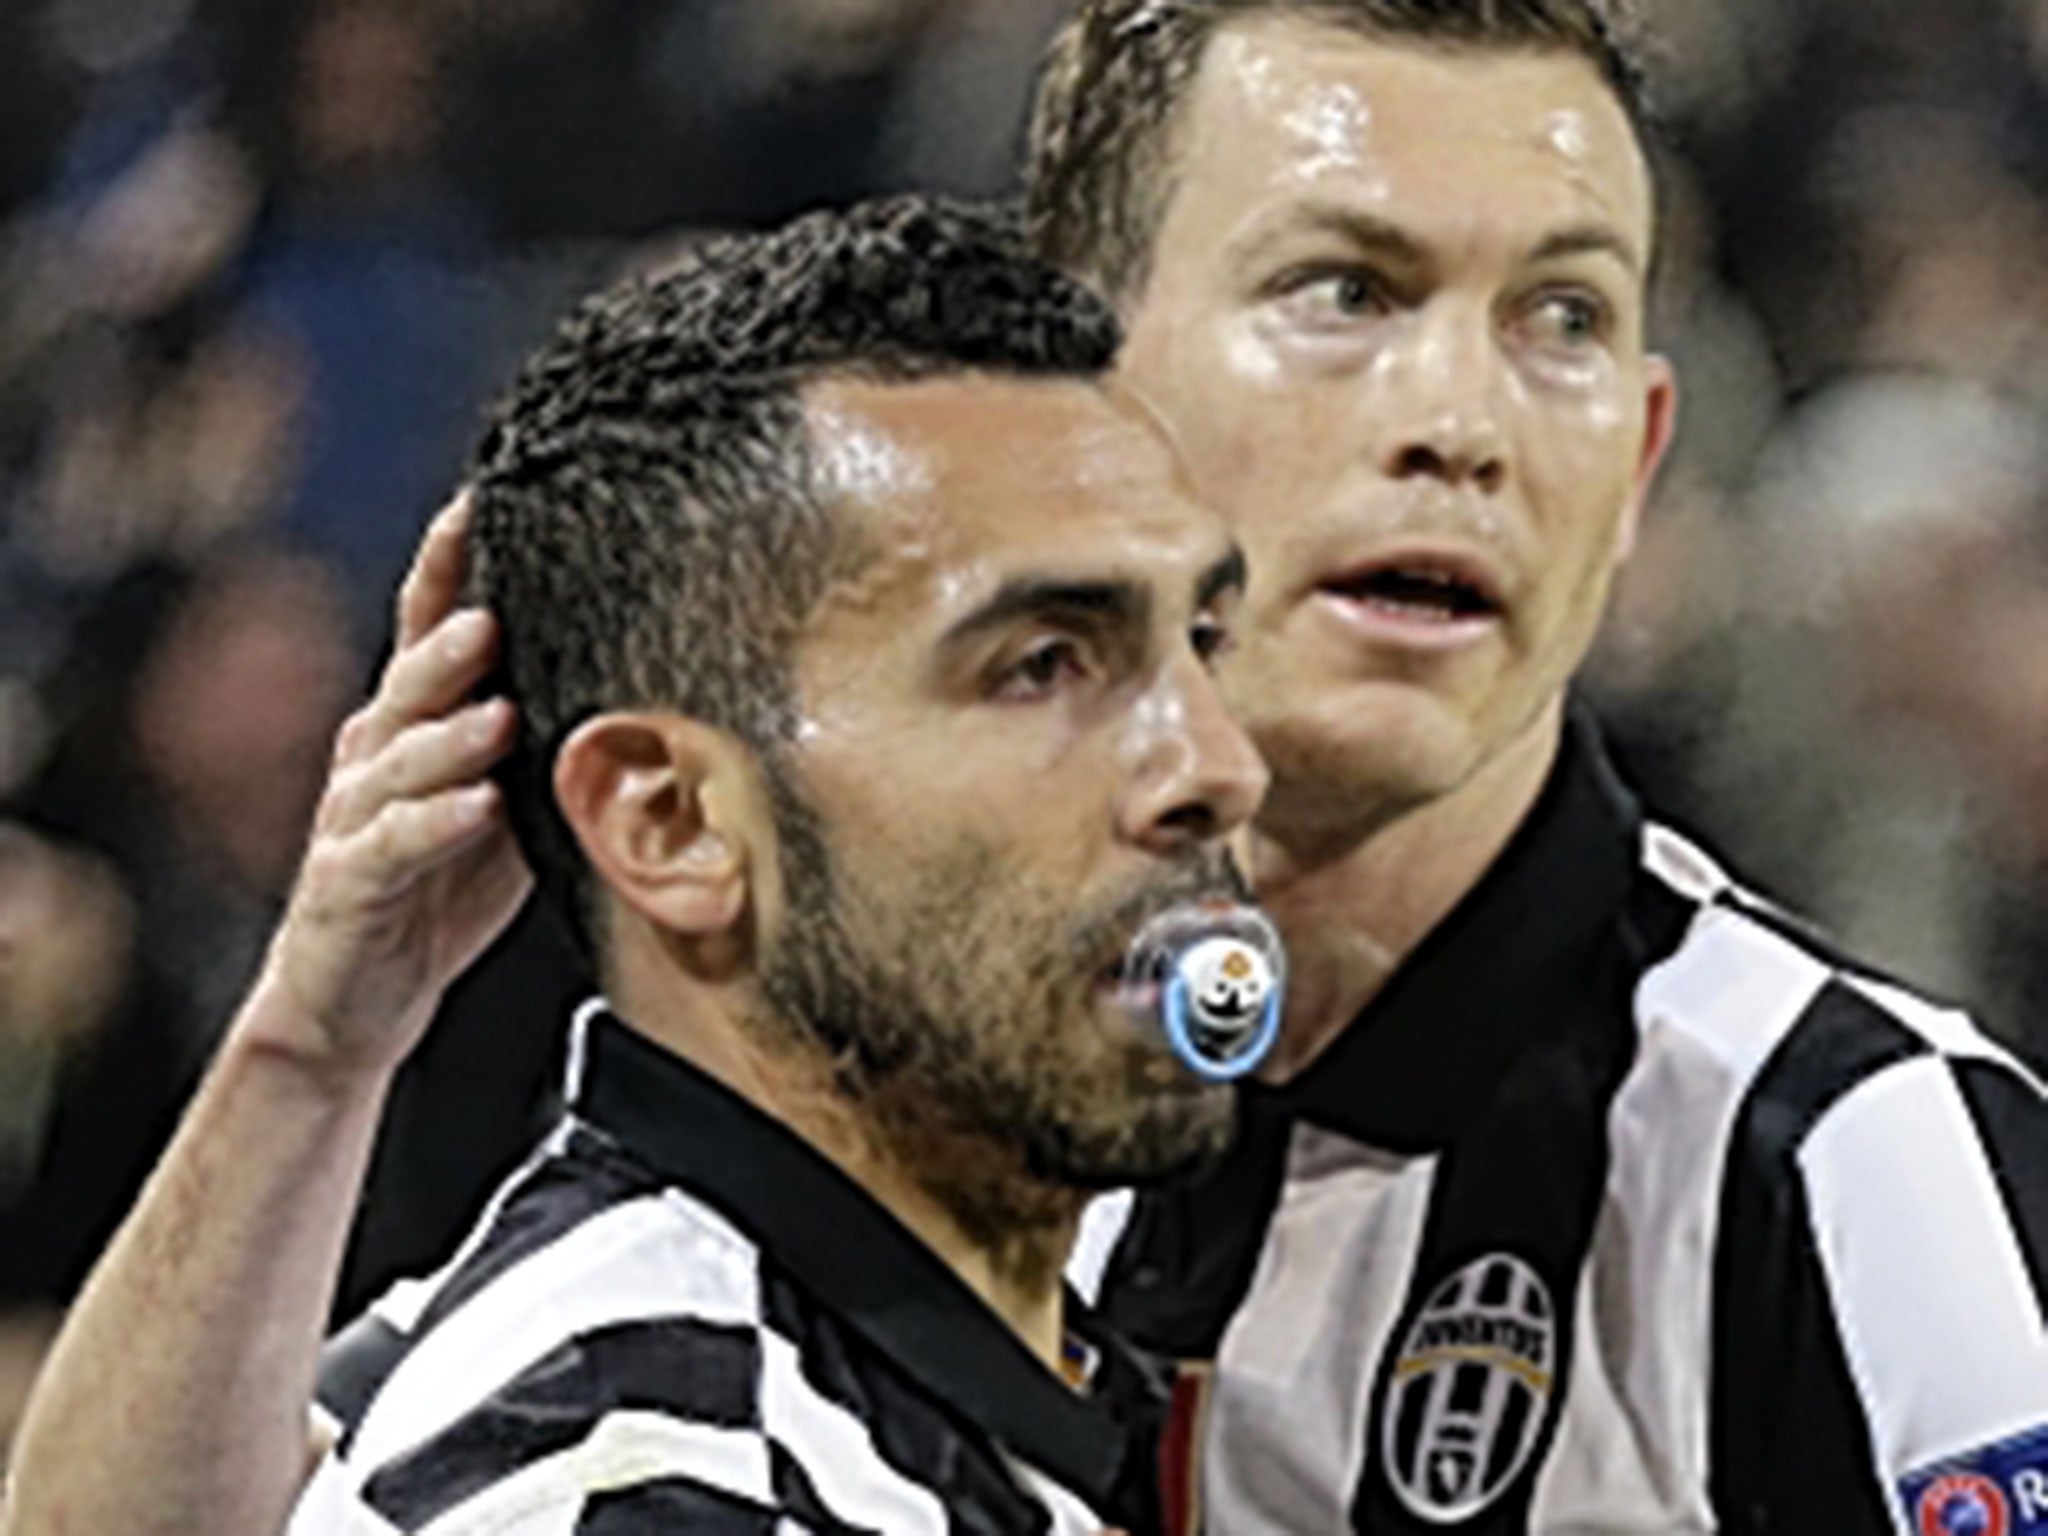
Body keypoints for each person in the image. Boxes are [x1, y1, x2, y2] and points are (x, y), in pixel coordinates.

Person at [2, 195, 1270, 1535]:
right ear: (671, 824)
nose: (1216, 763)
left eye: (1203, 641)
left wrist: (316, 1046)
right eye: (1043, 667)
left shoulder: (1000, 1271)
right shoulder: (637, 1483)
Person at [1022, 2, 2048, 1532]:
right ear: (1063, 407)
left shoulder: (1856, 1172)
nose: (1460, 423)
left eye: (1561, 315)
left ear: (1637, 466)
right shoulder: (921, 1097)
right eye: (1344, 291)